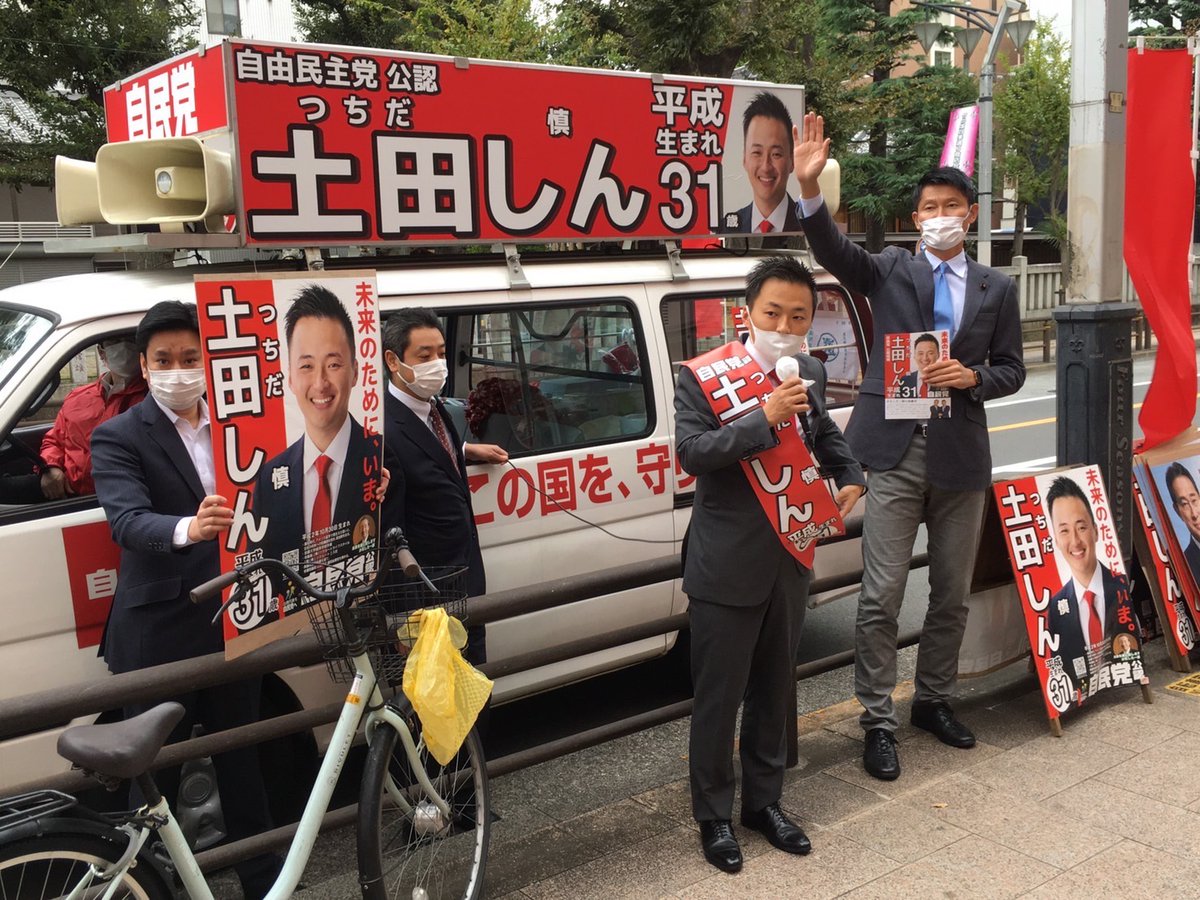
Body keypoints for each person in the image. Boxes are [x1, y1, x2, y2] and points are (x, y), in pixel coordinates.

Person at [793, 113, 1026, 781]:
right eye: (929, 208)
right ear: (916, 216)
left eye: (951, 207)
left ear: (970, 215)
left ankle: (933, 701)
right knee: (881, 593)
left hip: (961, 454)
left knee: (949, 594)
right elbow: (833, 251)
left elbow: (1012, 369)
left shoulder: (998, 288)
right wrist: (808, 189)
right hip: (895, 447)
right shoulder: (891, 268)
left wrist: (973, 378)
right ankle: (877, 720)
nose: (939, 216)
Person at [675, 256, 865, 874]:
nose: (784, 327)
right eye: (773, 313)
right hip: (726, 561)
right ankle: (713, 816)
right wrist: (765, 419)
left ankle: (765, 803)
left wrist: (851, 474)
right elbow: (693, 454)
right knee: (719, 696)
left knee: (775, 688)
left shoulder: (809, 369)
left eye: (798, 316)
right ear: (748, 314)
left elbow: (823, 434)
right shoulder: (703, 377)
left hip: (792, 551)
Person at [90, 301, 281, 899]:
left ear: (210, 362)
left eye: (191, 358)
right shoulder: (118, 434)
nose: (180, 370)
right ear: (145, 366)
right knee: (155, 774)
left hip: (237, 616)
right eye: (165, 360)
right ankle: (139, 887)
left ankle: (265, 882)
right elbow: (126, 520)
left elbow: (287, 484)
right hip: (161, 630)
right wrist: (188, 528)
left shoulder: (242, 422)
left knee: (242, 760)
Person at [379, 307, 508, 664]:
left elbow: (429, 454)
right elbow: (390, 536)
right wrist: (404, 620)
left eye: (440, 353)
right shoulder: (383, 431)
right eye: (424, 356)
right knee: (439, 695)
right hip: (427, 600)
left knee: (473, 684)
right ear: (393, 360)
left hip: (464, 581)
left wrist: (466, 450)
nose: (437, 364)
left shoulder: (433, 408)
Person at [252, 285, 382, 572]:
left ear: (355, 371)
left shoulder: (383, 458)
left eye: (333, 364)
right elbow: (262, 570)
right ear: (290, 378)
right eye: (307, 366)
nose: (320, 383)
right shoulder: (270, 477)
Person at [1045, 475, 1133, 700]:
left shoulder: (1121, 585)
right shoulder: (1056, 606)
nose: (1075, 541)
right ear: (1056, 540)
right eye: (1064, 531)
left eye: (1081, 527)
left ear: (1095, 531)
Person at [40, 336, 147, 499]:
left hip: (117, 498)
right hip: (67, 492)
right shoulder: (78, 396)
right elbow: (54, 440)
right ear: (101, 352)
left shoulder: (153, 400)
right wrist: (50, 467)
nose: (124, 348)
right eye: (114, 342)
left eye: (130, 340)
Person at [723, 92, 803, 248]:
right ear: (744, 159)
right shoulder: (729, 226)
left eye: (776, 154)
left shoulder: (809, 226)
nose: (766, 166)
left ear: (792, 161)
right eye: (757, 152)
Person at [1164, 462, 1200, 582]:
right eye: (1184, 504)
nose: (1194, 514)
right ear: (1177, 511)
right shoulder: (1186, 568)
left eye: (1194, 500)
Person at [896, 333, 940, 399]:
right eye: (920, 353)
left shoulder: (944, 379)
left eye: (930, 353)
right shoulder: (905, 380)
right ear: (914, 356)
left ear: (938, 355)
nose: (925, 358)